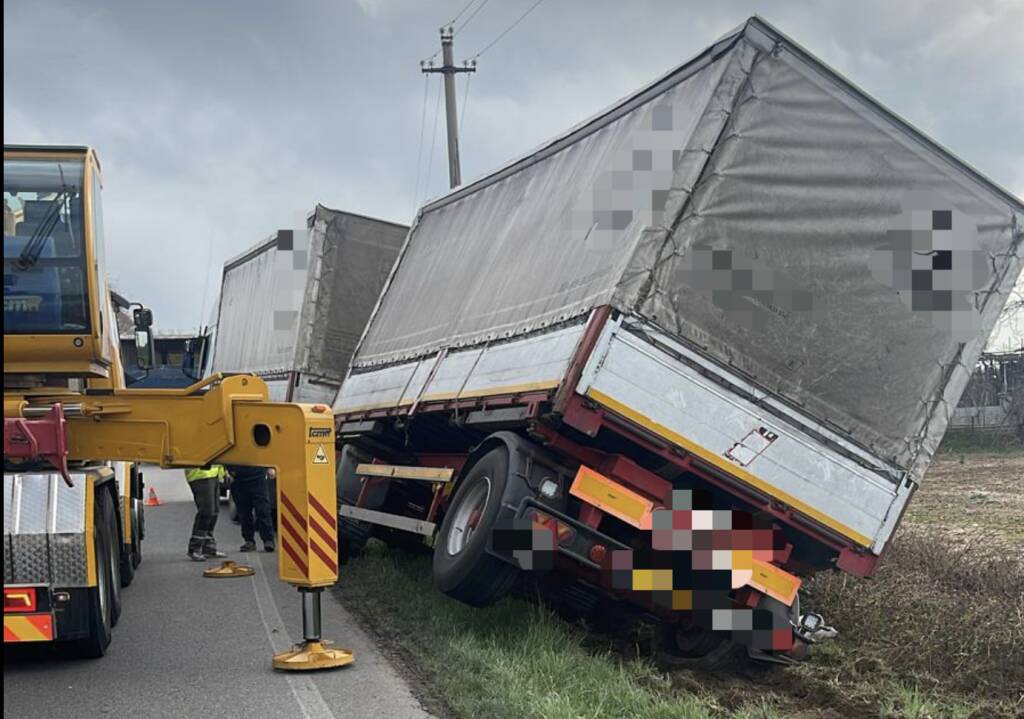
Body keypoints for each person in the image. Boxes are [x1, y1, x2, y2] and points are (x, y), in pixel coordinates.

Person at [225, 465, 276, 552]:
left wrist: (271, 467)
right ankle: (249, 541)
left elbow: (265, 452)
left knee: (263, 510)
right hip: (238, 479)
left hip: (258, 477)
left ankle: (268, 540)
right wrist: (228, 472)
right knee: (244, 513)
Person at [184, 464, 227, 561]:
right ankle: (194, 548)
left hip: (214, 474)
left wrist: (223, 471)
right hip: (200, 474)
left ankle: (208, 547)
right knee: (206, 512)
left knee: (214, 511)